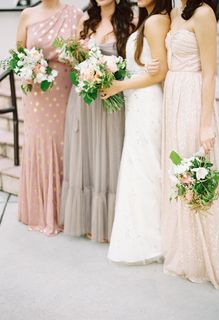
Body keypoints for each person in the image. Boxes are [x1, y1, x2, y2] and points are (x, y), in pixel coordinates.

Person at [161, 0, 219, 289]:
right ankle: (188, 253)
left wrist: (206, 123)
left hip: (193, 97)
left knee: (197, 170)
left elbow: (210, 72)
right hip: (173, 95)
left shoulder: (204, 13)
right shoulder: (173, 11)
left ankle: (214, 254)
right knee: (179, 175)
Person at [60, 0, 135, 242]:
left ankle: (110, 224)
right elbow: (73, 61)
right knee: (86, 156)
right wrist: (78, 60)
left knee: (109, 156)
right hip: (84, 99)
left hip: (110, 100)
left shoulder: (129, 22)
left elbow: (130, 66)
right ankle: (88, 220)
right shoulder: (85, 21)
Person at [105, 0, 171, 264]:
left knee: (146, 169)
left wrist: (118, 85)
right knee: (140, 168)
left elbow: (160, 73)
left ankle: (153, 241)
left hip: (147, 103)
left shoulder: (156, 21)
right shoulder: (148, 18)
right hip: (137, 102)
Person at [17, 0, 83, 235]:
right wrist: (29, 70)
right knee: (39, 144)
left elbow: (80, 55)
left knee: (62, 144)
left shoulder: (75, 14)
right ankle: (38, 211)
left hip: (64, 89)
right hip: (36, 93)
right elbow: (19, 54)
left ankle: (64, 212)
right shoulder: (27, 14)